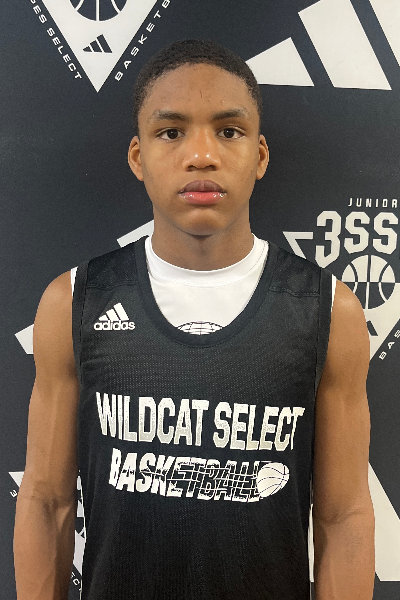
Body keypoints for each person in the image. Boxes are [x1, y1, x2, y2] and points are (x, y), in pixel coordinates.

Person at [14, 39, 375, 600]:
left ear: (259, 155)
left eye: (229, 131)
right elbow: (46, 501)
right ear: (138, 156)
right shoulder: (75, 301)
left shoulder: (328, 309)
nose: (202, 155)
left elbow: (343, 516)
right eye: (171, 132)